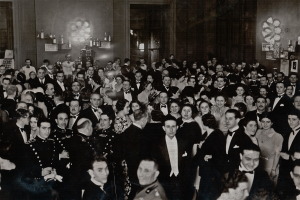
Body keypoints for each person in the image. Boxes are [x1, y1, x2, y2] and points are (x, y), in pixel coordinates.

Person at [151, 115, 193, 200]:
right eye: (168, 126)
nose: (171, 129)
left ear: (177, 127)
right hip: (164, 181)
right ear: (163, 128)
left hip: (181, 181)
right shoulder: (156, 144)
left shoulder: (185, 142)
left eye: (173, 126)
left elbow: (189, 164)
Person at [194, 114, 226, 200]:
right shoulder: (205, 135)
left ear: (204, 123)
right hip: (205, 172)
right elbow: (201, 154)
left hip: (213, 175)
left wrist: (211, 157)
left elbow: (221, 155)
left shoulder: (218, 135)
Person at [277, 109, 300, 198]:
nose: (290, 122)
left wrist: (289, 157)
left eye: (293, 119)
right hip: (285, 174)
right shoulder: (287, 134)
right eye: (289, 119)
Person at [256, 113, 283, 182]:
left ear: (272, 123)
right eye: (263, 121)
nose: (265, 124)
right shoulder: (258, 132)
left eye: (268, 122)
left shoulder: (277, 136)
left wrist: (273, 169)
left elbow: (277, 154)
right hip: (258, 163)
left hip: (270, 165)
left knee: (269, 188)